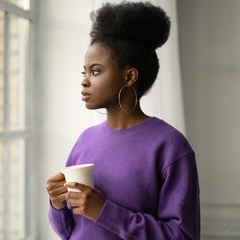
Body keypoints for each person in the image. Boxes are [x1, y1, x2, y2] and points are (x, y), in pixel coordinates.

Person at [46, 1, 200, 240]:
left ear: (129, 76)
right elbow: (69, 232)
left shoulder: (170, 146)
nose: (85, 81)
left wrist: (105, 211)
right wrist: (57, 205)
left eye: (95, 71)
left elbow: (182, 236)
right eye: (83, 72)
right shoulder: (85, 140)